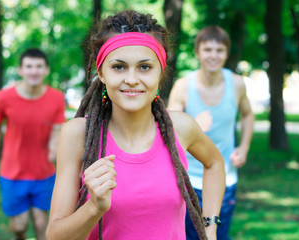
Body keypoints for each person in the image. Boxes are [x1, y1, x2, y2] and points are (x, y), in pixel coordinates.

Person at [46, 10, 225, 240]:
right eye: (119, 67)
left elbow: (214, 163)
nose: (131, 79)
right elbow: (55, 236)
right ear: (101, 73)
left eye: (145, 67)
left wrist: (209, 227)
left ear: (160, 72)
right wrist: (94, 208)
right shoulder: (77, 134)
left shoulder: (180, 127)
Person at [168, 26, 254, 240]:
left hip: (224, 178)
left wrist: (243, 148)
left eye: (219, 50)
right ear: (197, 52)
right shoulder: (183, 86)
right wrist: (194, 127)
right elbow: (168, 130)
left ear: (226, 53)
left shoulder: (236, 84)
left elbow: (248, 115)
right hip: (187, 180)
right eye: (207, 50)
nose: (213, 55)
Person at [0, 48, 66, 240]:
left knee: (41, 224)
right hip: (12, 173)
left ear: (46, 70)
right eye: (29, 66)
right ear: (20, 70)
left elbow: (57, 127)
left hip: (44, 172)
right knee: (19, 225)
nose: (34, 71)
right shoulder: (4, 97)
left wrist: (54, 147)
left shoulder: (56, 97)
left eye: (39, 66)